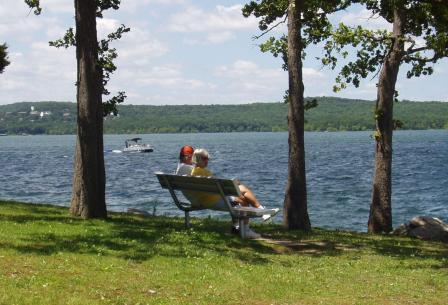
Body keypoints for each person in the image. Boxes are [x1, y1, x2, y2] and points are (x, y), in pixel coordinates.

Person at [191, 148, 267, 238]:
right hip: (214, 201)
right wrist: (235, 184)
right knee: (243, 192)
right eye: (205, 158)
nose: (207, 160)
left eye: (207, 158)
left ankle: (237, 227)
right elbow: (219, 187)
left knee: (241, 197)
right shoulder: (204, 172)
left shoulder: (194, 172)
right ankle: (252, 221)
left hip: (204, 201)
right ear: (198, 159)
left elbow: (216, 186)